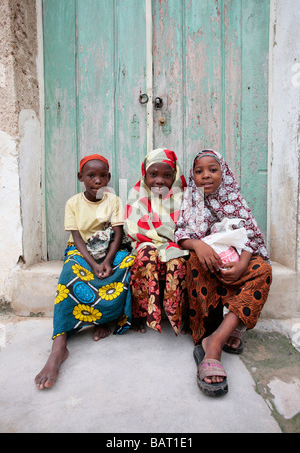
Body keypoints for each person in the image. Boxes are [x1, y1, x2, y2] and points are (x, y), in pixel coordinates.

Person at [175, 149, 272, 396]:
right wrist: (199, 244)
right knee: (195, 260)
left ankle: (215, 341)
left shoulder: (234, 199)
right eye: (199, 171)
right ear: (192, 176)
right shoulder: (191, 199)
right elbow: (182, 234)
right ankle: (212, 332)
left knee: (263, 270)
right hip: (208, 269)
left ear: (224, 173)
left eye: (213, 170)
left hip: (234, 266)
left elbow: (250, 237)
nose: (206, 176)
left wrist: (241, 265)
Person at [35, 154, 135, 390]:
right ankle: (59, 347)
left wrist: (108, 261)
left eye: (102, 176)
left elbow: (118, 234)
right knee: (70, 274)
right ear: (80, 177)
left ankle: (103, 319)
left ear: (109, 178)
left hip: (111, 248)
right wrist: (92, 263)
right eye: (91, 176)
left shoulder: (113, 201)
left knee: (125, 267)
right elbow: (77, 238)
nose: (97, 181)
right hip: (82, 251)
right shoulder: (73, 203)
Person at [124, 148, 189, 335]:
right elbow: (133, 227)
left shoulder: (182, 196)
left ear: (175, 176)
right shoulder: (137, 194)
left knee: (177, 261)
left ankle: (177, 315)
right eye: (153, 174)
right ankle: (140, 314)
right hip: (145, 243)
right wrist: (159, 239)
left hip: (175, 244)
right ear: (145, 175)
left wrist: (169, 242)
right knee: (146, 257)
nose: (159, 180)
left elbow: (186, 227)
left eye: (167, 175)